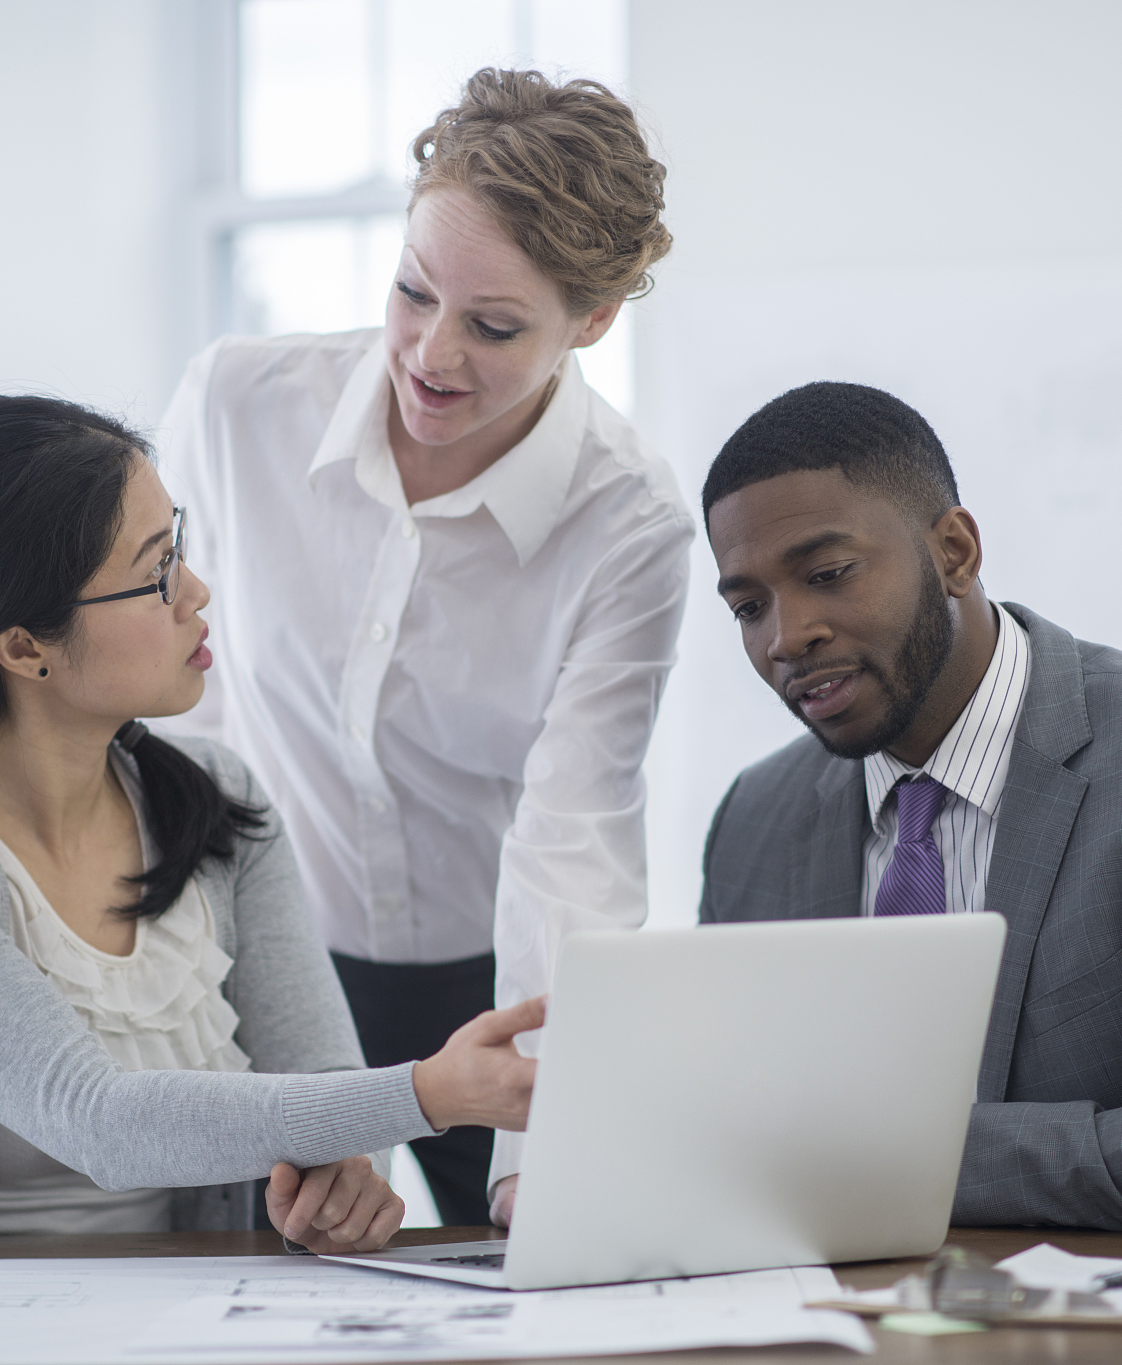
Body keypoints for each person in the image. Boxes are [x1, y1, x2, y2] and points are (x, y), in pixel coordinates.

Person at [0, 396, 541, 1244]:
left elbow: (320, 1076)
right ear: (24, 647)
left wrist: (346, 1176)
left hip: (185, 1307)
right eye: (157, 568)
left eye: (180, 545)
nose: (197, 591)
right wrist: (426, 1095)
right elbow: (96, 1116)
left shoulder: (213, 798)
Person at [158, 68, 691, 1227]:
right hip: (257, 951)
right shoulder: (236, 407)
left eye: (494, 326)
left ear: (590, 322)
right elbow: (174, 719)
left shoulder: (629, 524)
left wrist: (540, 1159)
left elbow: (573, 842)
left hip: (485, 987)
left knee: (529, 1264)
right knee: (249, 1274)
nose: (430, 355)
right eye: (412, 292)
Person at [696, 382, 1122, 1238]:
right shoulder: (754, 822)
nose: (785, 636)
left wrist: (899, 1162)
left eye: (828, 575)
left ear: (954, 551)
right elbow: (728, 1141)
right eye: (748, 607)